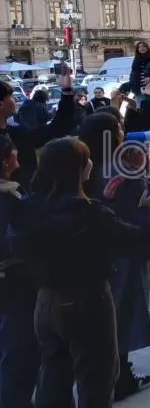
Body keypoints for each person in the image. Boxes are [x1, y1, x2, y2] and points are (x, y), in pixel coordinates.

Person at [8, 137, 150, 408]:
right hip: (89, 302)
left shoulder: (28, 207)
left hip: (46, 301)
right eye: (85, 159)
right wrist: (145, 212)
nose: (91, 163)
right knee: (97, 381)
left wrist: (103, 202)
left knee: (53, 377)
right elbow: (139, 241)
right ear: (76, 169)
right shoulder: (90, 213)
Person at [79, 113, 150, 401]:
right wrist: (148, 213)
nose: (124, 131)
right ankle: (121, 377)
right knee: (123, 317)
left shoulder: (87, 166)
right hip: (125, 253)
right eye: (119, 128)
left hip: (98, 257)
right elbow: (139, 212)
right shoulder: (123, 168)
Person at [0, 135, 38, 408]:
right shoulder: (11, 201)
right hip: (15, 287)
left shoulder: (13, 194)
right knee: (19, 354)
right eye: (13, 149)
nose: (17, 152)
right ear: (5, 160)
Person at [0, 75, 75, 188]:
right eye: (10, 96)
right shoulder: (14, 135)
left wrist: (67, 91)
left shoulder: (16, 133)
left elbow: (58, 127)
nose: (14, 99)